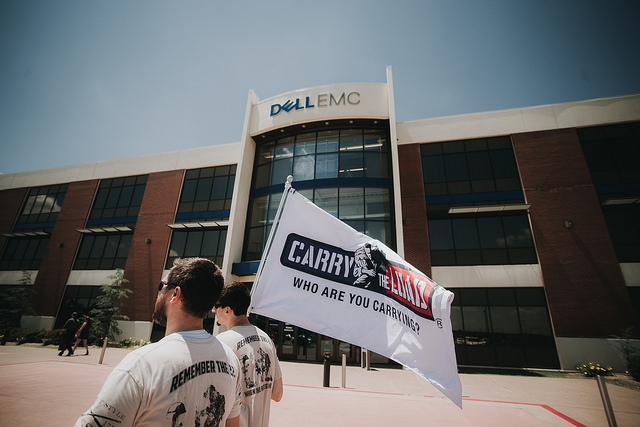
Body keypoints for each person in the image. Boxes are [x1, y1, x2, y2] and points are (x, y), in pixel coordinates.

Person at [75, 258, 242, 427]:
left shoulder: (142, 365)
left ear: (175, 294)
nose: (158, 292)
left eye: (161, 285)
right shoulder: (230, 359)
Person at [215, 282, 283, 427]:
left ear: (227, 310)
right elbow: (277, 394)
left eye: (216, 306)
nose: (214, 310)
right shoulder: (267, 340)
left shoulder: (221, 343)